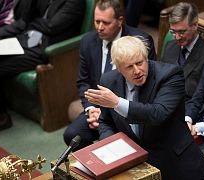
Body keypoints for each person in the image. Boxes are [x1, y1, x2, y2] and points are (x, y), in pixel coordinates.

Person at [84, 36, 204, 180]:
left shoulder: (170, 75)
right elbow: (106, 121)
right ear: (119, 69)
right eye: (129, 67)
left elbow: (157, 114)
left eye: (139, 63)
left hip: (175, 161)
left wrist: (117, 103)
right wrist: (113, 148)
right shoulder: (108, 81)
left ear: (146, 58)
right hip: (137, 165)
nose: (137, 70)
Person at [63, 0, 156, 150]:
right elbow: (84, 82)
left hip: (127, 107)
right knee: (72, 135)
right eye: (97, 21)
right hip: (98, 107)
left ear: (120, 21)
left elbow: (146, 84)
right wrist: (91, 109)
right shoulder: (88, 41)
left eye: (105, 23)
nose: (100, 27)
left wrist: (113, 107)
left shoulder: (140, 41)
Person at [0, 0, 85, 135]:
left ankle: (0, 117)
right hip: (26, 40)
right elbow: (26, 17)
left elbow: (51, 27)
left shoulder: (75, 2)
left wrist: (32, 23)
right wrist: (32, 22)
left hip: (48, 50)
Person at [160, 2, 204, 100]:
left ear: (195, 25)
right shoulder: (170, 47)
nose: (177, 37)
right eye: (173, 32)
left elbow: (201, 97)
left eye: (182, 32)